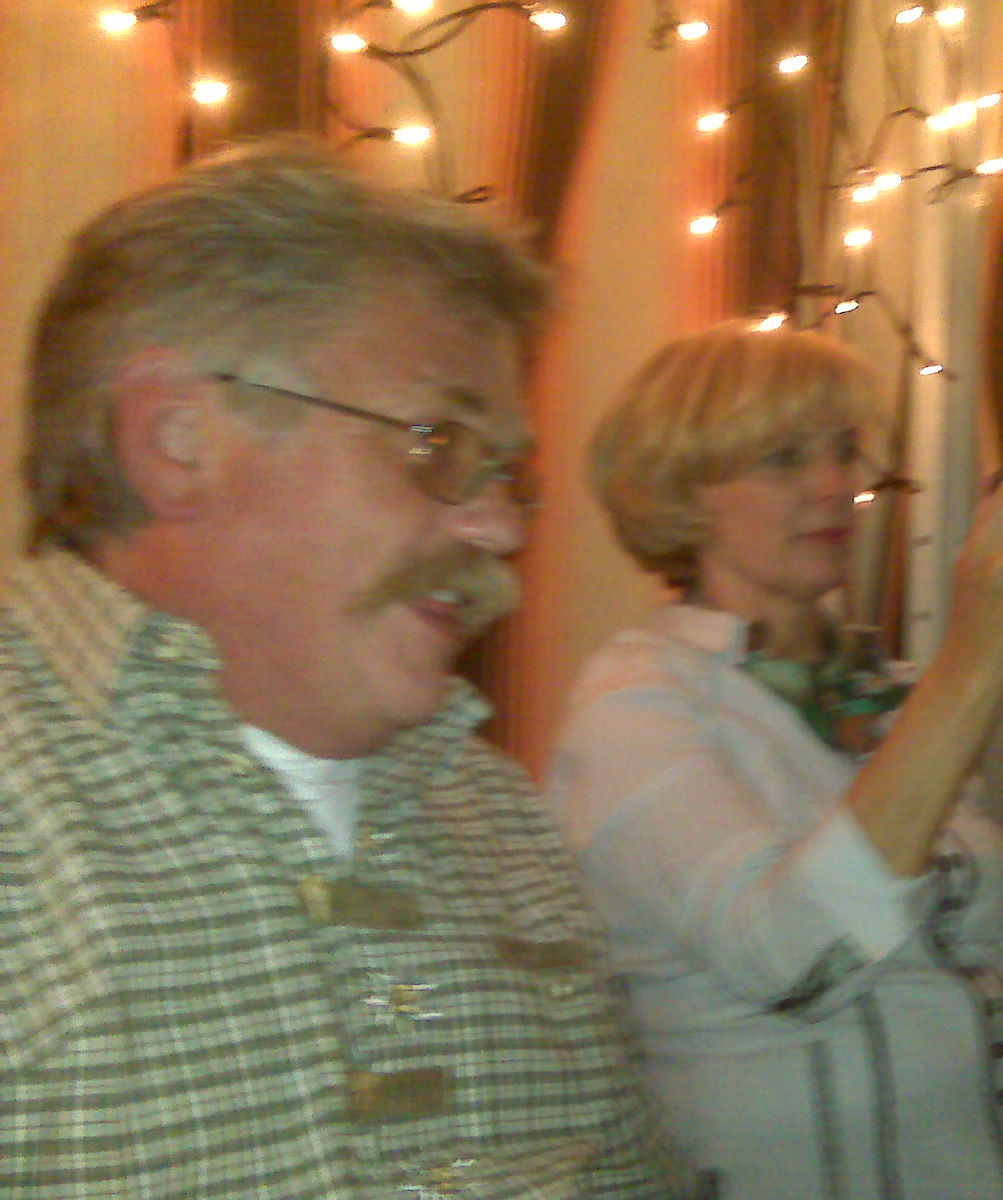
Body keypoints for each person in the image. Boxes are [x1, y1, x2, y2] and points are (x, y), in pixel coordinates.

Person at [3, 138, 685, 1198]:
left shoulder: (502, 822)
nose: (501, 528)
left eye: (508, 476)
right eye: (437, 444)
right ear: (177, 438)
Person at [546, 321, 1003, 1200]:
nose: (835, 484)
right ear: (683, 489)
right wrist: (975, 659)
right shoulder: (633, 703)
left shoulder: (891, 692)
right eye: (785, 457)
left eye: (842, 451)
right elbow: (792, 958)